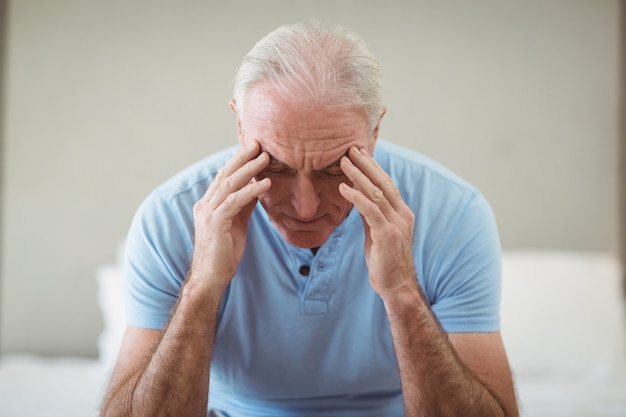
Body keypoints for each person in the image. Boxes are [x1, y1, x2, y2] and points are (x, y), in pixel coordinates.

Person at [101, 20, 518, 417]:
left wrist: (403, 292)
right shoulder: (170, 217)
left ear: (374, 133)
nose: (305, 207)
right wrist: (201, 287)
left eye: (336, 169)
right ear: (239, 126)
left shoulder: (454, 214)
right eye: (276, 167)